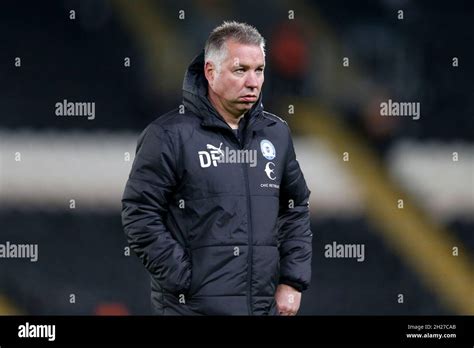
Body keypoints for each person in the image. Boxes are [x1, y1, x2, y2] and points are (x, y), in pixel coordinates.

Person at [121, 21, 312, 316]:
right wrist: (186, 279)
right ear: (211, 72)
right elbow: (140, 212)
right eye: (240, 70)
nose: (253, 81)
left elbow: (294, 206)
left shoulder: (276, 134)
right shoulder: (169, 135)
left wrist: (291, 280)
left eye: (259, 70)